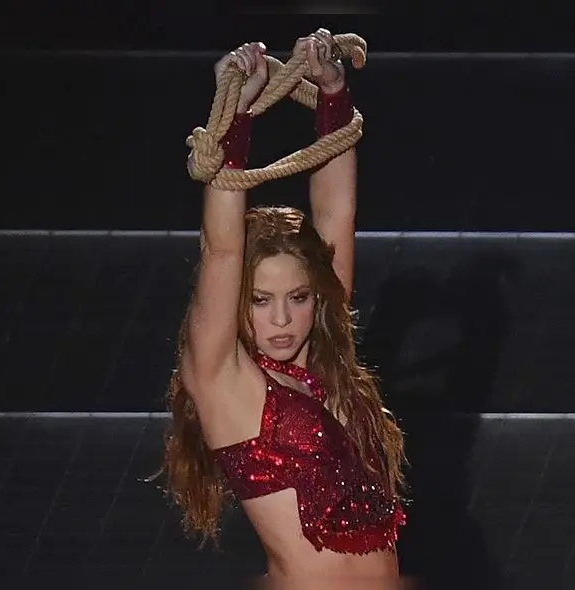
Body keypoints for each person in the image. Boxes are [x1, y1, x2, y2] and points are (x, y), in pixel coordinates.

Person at [155, 29, 408, 585]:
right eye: (261, 301)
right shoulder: (224, 379)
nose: (282, 319)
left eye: (298, 299)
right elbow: (222, 250)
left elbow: (335, 217)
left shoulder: (321, 368)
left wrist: (333, 98)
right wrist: (236, 117)